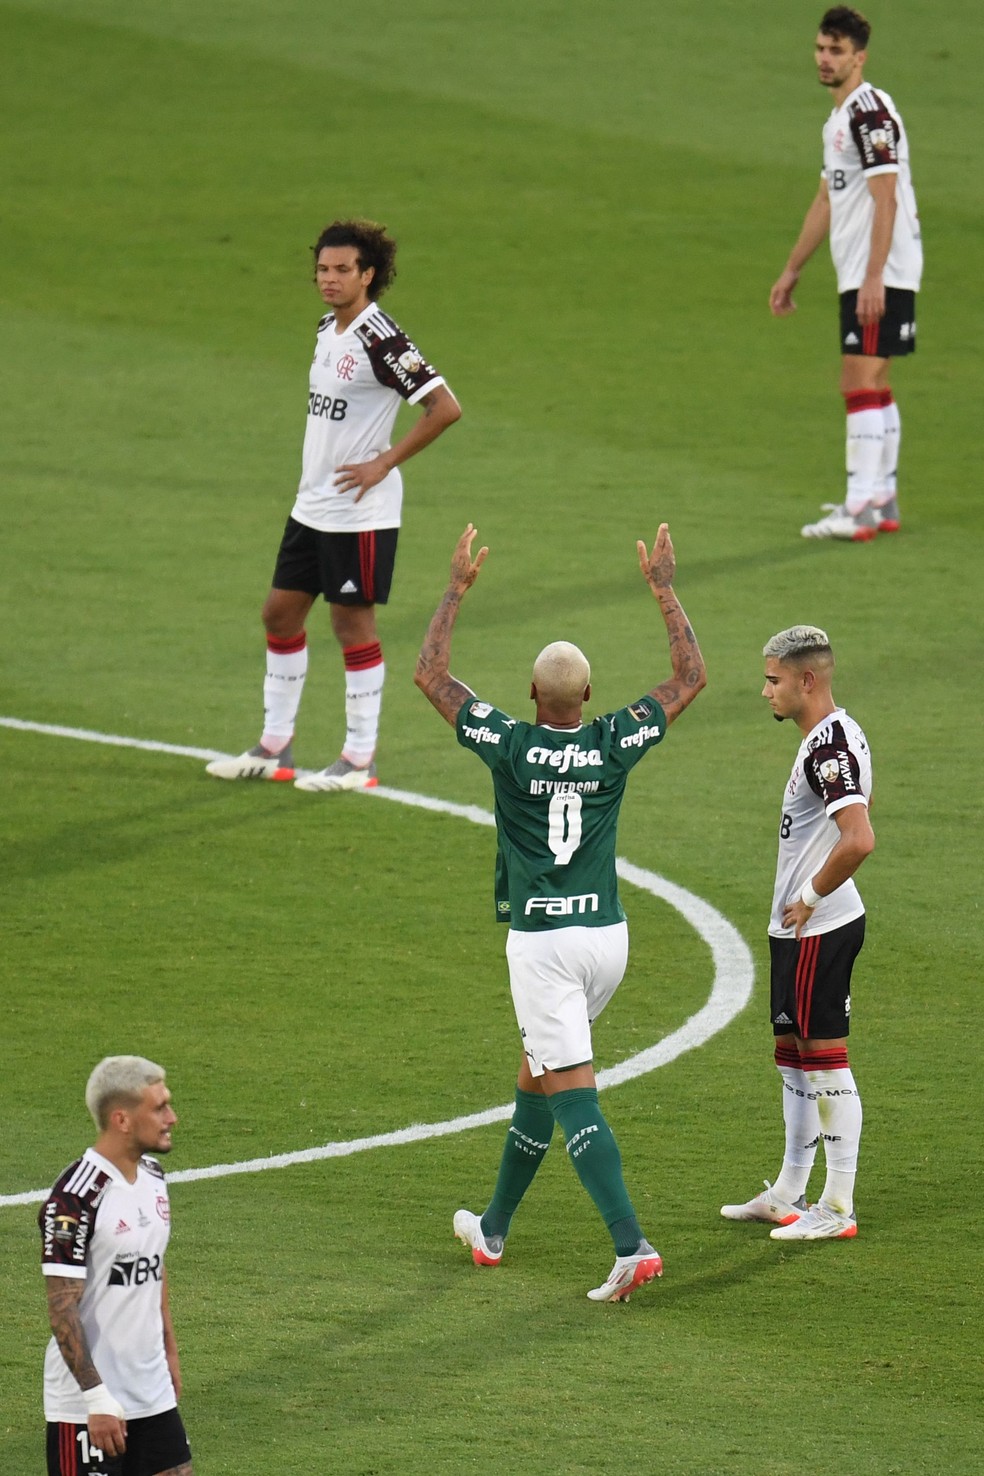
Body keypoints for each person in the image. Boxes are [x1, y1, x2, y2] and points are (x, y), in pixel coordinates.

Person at [414, 523, 706, 1300]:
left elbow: (432, 676)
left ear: (532, 694)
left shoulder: (508, 743)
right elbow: (689, 677)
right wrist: (663, 587)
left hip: (542, 945)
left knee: (572, 1089)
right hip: (607, 937)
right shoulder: (615, 740)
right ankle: (495, 1228)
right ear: (589, 693)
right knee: (538, 1074)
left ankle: (630, 1244)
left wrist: (454, 589)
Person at [207, 218, 461, 792]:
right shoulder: (329, 329)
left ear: (368, 275)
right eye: (322, 268)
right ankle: (274, 747)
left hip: (359, 511)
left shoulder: (383, 339)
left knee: (351, 624)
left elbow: (444, 407)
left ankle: (359, 759)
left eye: (342, 269)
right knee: (279, 614)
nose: (329, 278)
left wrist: (383, 462)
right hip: (313, 506)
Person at [721, 626, 874, 1240]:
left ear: (807, 679)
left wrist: (810, 898)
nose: (765, 692)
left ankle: (836, 1206)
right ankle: (788, 1190)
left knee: (823, 1058)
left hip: (821, 925)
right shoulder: (830, 734)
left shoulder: (826, 747)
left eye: (774, 679)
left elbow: (859, 838)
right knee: (792, 1058)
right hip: (794, 927)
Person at [769, 8, 922, 541]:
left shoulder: (870, 115)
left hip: (878, 270)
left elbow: (887, 199)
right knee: (875, 381)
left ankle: (858, 507)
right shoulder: (839, 121)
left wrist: (875, 276)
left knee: (856, 379)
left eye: (836, 51)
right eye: (820, 48)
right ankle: (881, 498)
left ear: (860, 58)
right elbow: (826, 199)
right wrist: (793, 268)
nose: (824, 59)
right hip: (865, 269)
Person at [39, 1057, 193, 1475]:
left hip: (152, 1391)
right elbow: (61, 1307)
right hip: (87, 1405)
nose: (172, 1118)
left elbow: (154, 1269)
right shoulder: (75, 1199)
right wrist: (96, 1399)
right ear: (122, 1119)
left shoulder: (154, 1177)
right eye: (159, 1107)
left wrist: (169, 1356)